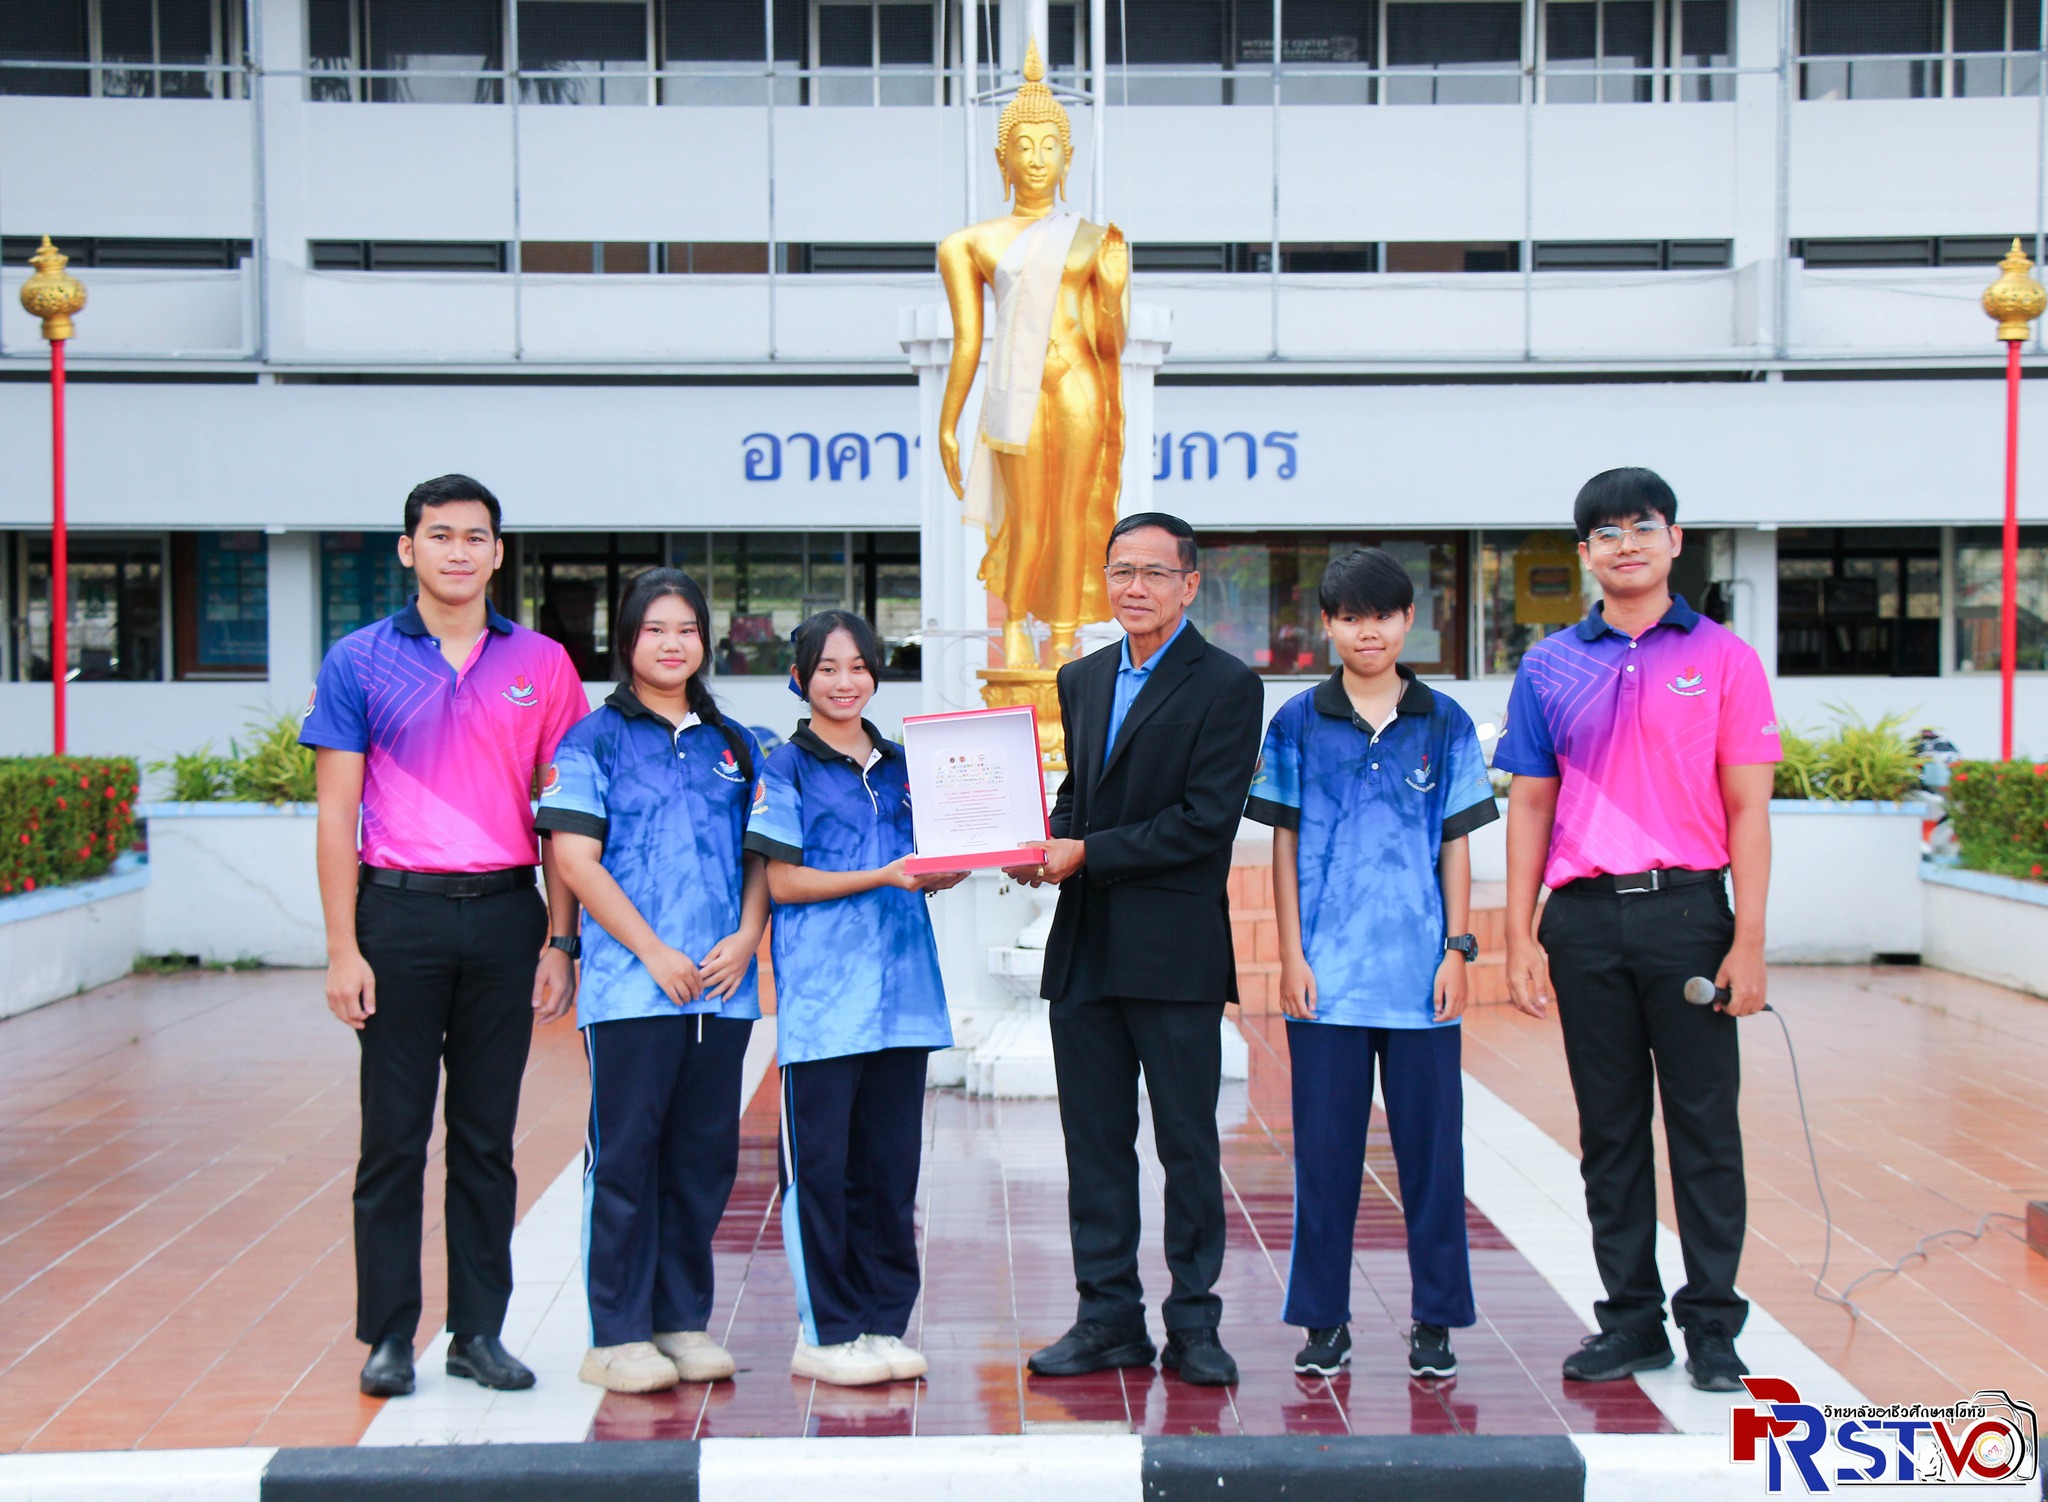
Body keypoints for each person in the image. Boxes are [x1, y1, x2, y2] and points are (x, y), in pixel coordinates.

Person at [1493, 467, 1780, 1395]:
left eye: (1643, 527)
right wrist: (1520, 933)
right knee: (1609, 1131)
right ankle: (1630, 1323)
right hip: (1582, 922)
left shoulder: (1725, 659)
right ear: (1585, 553)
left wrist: (1748, 940)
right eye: (1607, 532)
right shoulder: (1550, 665)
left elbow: (1749, 809)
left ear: (1674, 540)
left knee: (1704, 1128)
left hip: (1689, 916)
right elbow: (1530, 803)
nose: (1627, 544)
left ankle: (1713, 1326)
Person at [301, 474, 588, 1399]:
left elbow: (563, 817)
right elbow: (336, 813)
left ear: (498, 553)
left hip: (505, 915)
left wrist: (560, 940)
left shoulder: (542, 664)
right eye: (440, 535)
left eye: (474, 537)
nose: (457, 552)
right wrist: (343, 948)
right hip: (397, 917)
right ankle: (388, 1335)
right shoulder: (359, 661)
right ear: (408, 549)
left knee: (485, 1138)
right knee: (392, 1137)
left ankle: (478, 1332)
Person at [1017, 512, 1265, 1389]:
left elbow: (1205, 822)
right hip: (1087, 945)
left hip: (1173, 950)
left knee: (1187, 1145)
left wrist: (1086, 852)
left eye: (1156, 572)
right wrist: (1035, 841)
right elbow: (1080, 796)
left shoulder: (1228, 685)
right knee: (1094, 1144)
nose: (1135, 587)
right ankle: (1108, 1319)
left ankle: (1194, 1323)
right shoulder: (1081, 678)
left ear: (1190, 584)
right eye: (1122, 570)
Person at [1244, 548, 1498, 1381]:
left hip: (1422, 982)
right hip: (1326, 983)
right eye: (1351, 617)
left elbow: (1456, 846)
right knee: (1324, 1163)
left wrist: (1457, 949)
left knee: (1434, 1161)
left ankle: (1437, 1321)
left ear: (1407, 620)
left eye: (1383, 615)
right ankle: (1323, 1321)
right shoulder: (1297, 722)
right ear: (1327, 625)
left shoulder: (1444, 722)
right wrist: (1292, 956)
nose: (1368, 631)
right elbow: (1284, 846)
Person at [536, 568, 768, 1394]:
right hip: (633, 990)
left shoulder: (735, 743)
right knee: (626, 1159)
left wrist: (747, 937)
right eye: (655, 629)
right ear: (627, 640)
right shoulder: (591, 741)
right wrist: (652, 952)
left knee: (702, 1161)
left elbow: (762, 855)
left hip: (722, 990)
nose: (673, 644)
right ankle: (618, 1333)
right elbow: (575, 859)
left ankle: (680, 1321)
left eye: (687, 629)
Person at [742, 611, 964, 1387]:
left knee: (890, 1174)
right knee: (822, 1174)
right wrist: (886, 875)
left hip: (905, 999)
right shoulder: (785, 768)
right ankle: (826, 1331)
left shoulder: (907, 764)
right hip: (825, 1005)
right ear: (799, 678)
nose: (845, 682)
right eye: (828, 668)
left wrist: (945, 869)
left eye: (859, 667)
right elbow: (782, 881)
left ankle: (881, 1323)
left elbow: (929, 860)